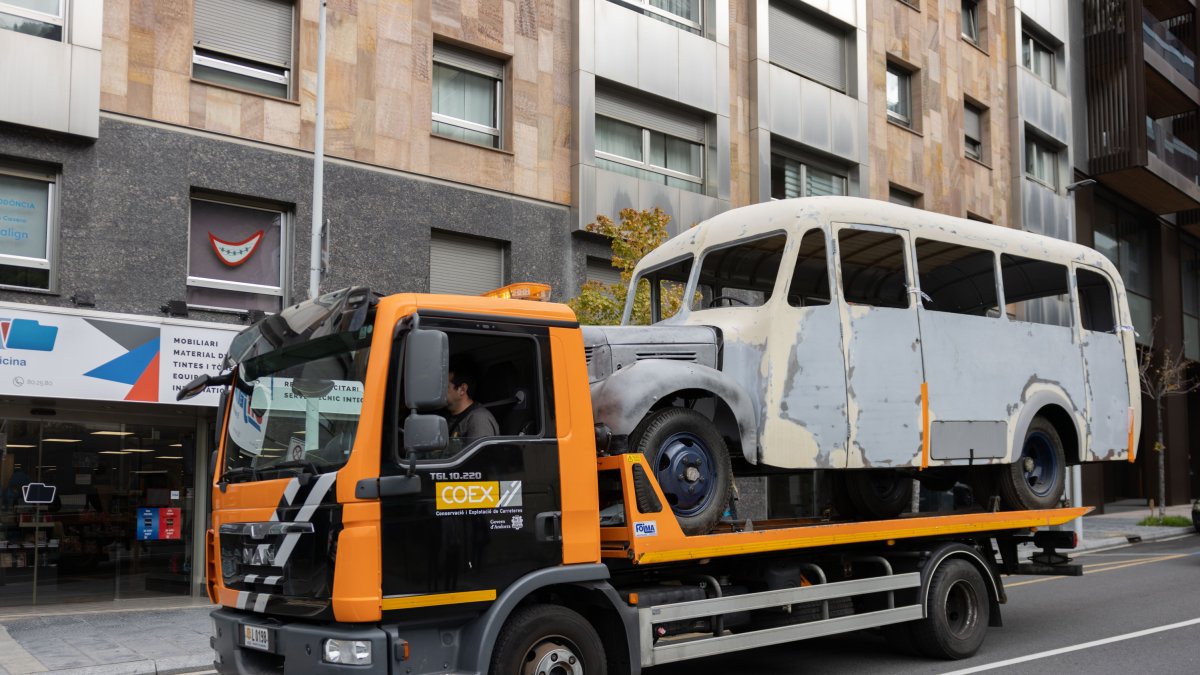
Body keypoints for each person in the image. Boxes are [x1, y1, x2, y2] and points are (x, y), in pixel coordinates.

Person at [445, 357, 499, 441]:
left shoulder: (479, 420)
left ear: (462, 389)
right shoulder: (448, 417)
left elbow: (481, 454)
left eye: (446, 387)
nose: (440, 392)